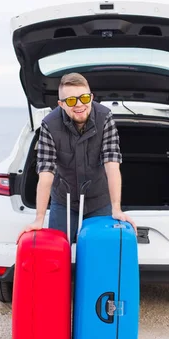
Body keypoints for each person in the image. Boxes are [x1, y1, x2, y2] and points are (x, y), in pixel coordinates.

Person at [20, 72, 136, 241]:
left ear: (91, 97)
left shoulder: (105, 117)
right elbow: (46, 172)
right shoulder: (49, 125)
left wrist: (116, 208)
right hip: (63, 201)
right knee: (58, 253)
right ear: (61, 104)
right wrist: (39, 218)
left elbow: (112, 163)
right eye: (72, 100)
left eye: (84, 98)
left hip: (99, 199)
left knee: (99, 254)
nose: (80, 104)